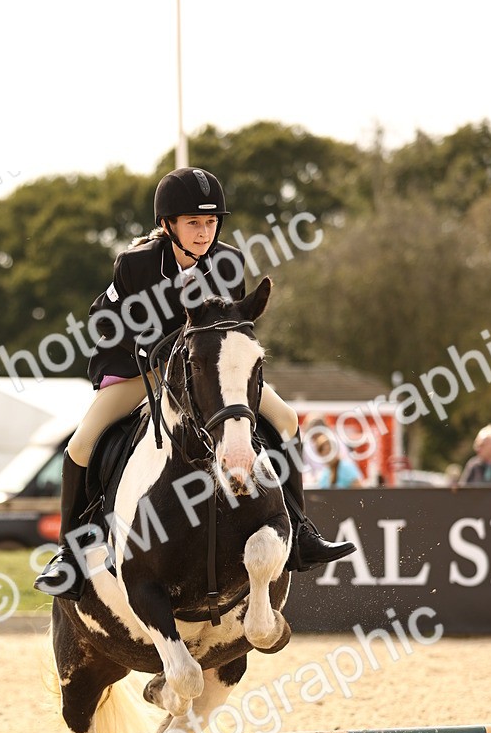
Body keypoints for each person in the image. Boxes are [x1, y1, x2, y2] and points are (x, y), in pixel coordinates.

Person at [34, 167, 356, 599]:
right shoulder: (137, 264)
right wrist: (156, 349)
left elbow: (233, 327)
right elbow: (107, 322)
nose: (204, 232)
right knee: (80, 445)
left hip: (208, 376)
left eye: (210, 223)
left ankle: (299, 531)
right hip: (140, 370)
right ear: (168, 224)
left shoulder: (228, 262)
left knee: (286, 419)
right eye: (193, 223)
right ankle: (70, 556)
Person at [305, 422, 363, 488]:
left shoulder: (346, 467)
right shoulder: (325, 473)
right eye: (326, 451)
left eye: (330, 450)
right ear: (321, 454)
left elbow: (358, 491)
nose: (329, 454)